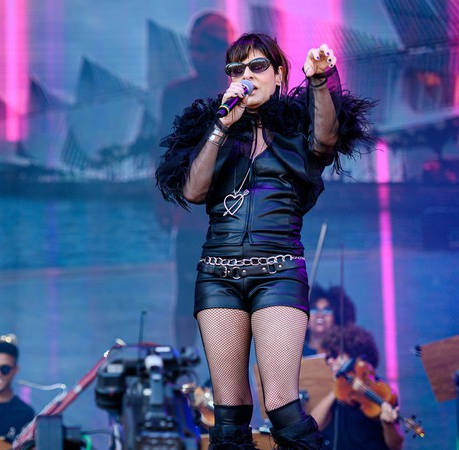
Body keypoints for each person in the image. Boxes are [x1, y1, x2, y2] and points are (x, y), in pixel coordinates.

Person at [155, 32, 376, 449]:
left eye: (258, 67)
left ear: (278, 74)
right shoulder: (216, 129)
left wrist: (320, 81)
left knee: (281, 404)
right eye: (236, 69)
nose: (247, 76)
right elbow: (193, 191)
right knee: (229, 413)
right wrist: (221, 126)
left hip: (278, 273)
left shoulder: (296, 128)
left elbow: (326, 140)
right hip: (217, 276)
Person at [156, 12, 234, 350]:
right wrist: (161, 201)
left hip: (234, 216)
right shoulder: (177, 93)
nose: (196, 55)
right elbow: (164, 152)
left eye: (204, 48)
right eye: (193, 47)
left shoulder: (244, 93)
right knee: (187, 295)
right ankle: (185, 371)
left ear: (224, 49)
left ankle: (229, 376)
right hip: (192, 216)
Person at [310, 325, 404, 450]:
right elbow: (313, 427)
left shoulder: (380, 389)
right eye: (328, 357)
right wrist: (337, 389)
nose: (331, 361)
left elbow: (396, 445)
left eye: (335, 355)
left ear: (355, 355)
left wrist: (388, 424)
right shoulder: (337, 390)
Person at [304, 285, 356, 356]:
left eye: (327, 310)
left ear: (337, 317)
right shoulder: (294, 351)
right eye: (314, 309)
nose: (320, 315)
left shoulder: (342, 355)